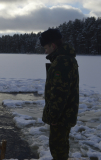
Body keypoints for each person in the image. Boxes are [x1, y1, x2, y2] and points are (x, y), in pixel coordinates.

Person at [39, 28, 79, 160]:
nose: (45, 51)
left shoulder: (61, 62)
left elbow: (59, 93)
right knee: (61, 146)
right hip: (65, 114)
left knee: (57, 148)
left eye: (46, 47)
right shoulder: (65, 59)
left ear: (53, 45)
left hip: (61, 116)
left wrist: (54, 117)